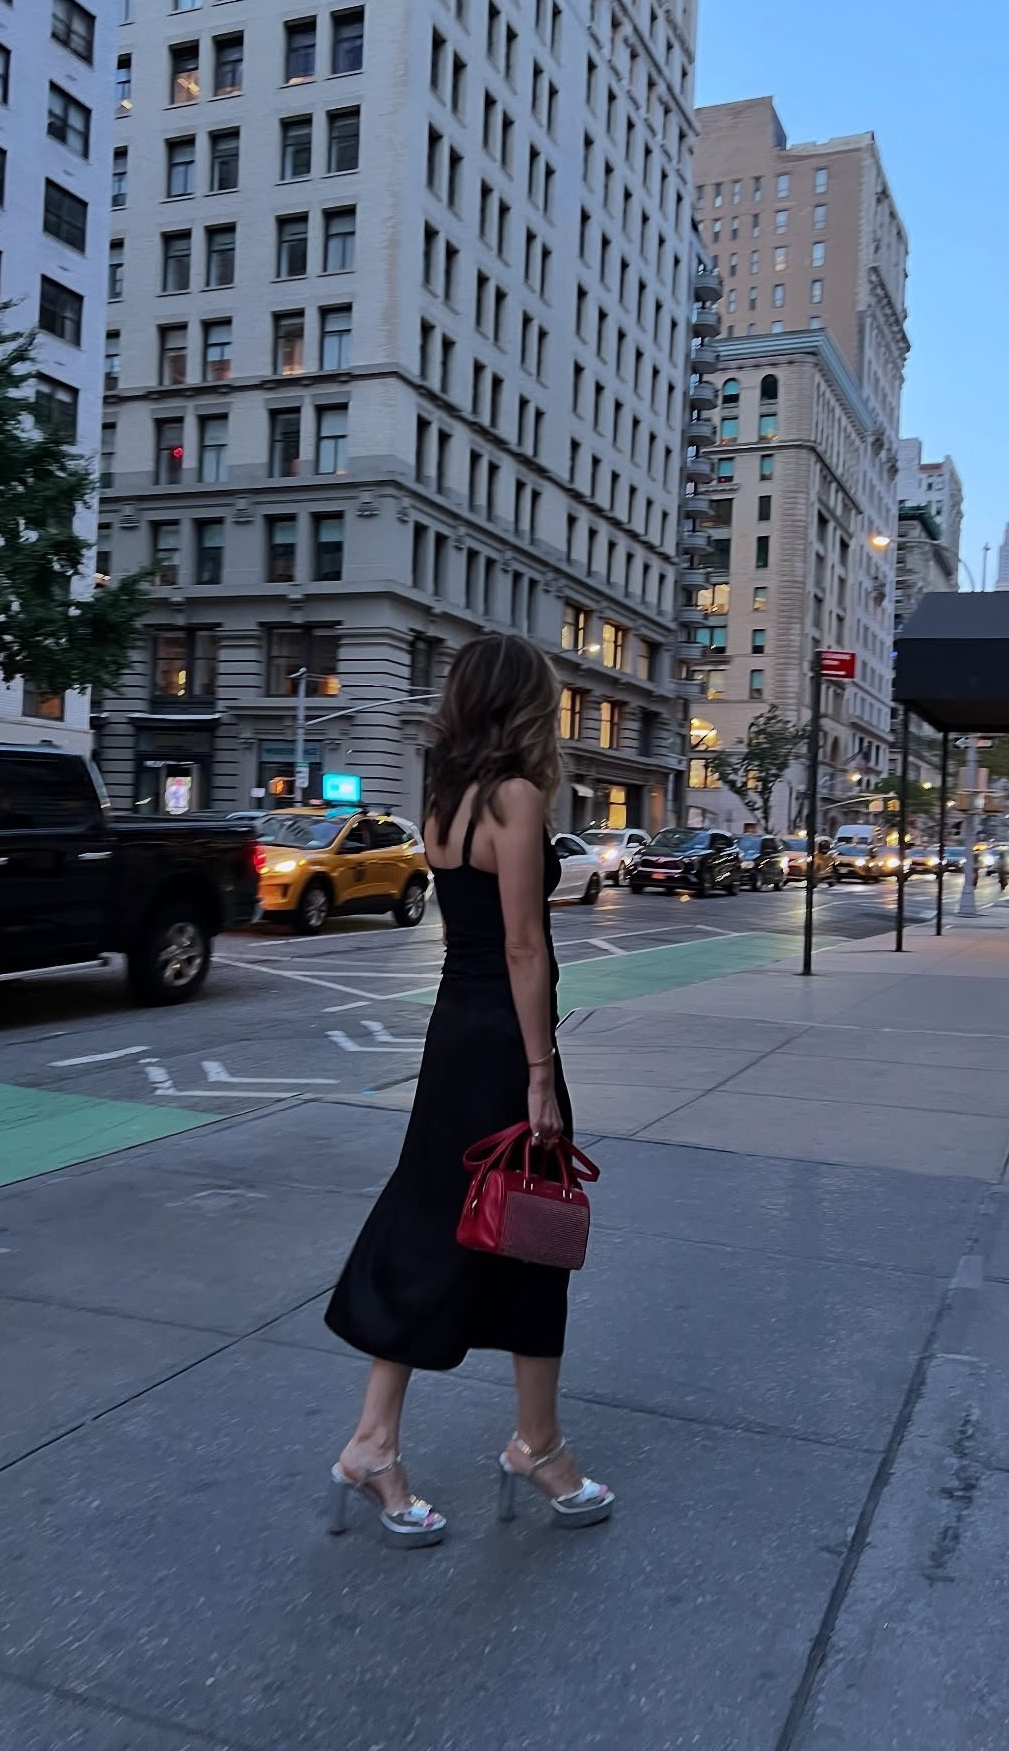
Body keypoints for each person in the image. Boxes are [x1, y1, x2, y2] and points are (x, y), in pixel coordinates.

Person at [324, 633, 614, 1548]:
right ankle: (537, 1445)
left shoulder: (444, 799)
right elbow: (526, 946)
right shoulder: (518, 799)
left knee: (431, 1220)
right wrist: (540, 1074)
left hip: (455, 1029)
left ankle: (377, 1441)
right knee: (533, 1228)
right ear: (523, 703)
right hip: (502, 1043)